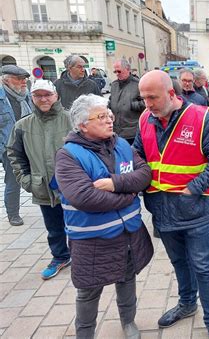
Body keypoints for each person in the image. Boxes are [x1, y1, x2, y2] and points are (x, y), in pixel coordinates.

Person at [135, 70, 209, 339]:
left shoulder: (201, 118)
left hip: (195, 210)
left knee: (202, 265)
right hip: (161, 211)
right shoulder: (145, 119)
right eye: (143, 98)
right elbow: (138, 156)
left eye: (152, 97)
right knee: (179, 262)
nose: (148, 104)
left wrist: (194, 188)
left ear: (171, 93)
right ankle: (187, 304)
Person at [55, 94, 153, 339]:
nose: (110, 120)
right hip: (92, 239)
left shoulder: (120, 144)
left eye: (109, 115)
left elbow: (144, 174)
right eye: (101, 117)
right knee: (89, 291)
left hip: (127, 232)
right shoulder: (68, 155)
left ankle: (128, 322)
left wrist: (116, 184)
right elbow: (85, 197)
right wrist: (129, 195)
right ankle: (85, 333)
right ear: (82, 125)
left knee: (127, 279)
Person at [7, 79, 71, 279]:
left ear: (56, 96)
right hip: (43, 188)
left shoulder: (71, 120)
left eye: (47, 95)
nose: (43, 99)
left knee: (79, 225)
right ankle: (60, 256)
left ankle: (82, 256)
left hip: (72, 188)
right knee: (53, 228)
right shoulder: (23, 125)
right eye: (38, 95)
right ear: (32, 98)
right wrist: (26, 181)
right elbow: (15, 155)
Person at [0, 65, 32, 226]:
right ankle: (13, 214)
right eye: (19, 79)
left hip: (29, 144)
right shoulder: (2, 99)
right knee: (13, 181)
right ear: (6, 80)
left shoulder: (26, 96)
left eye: (24, 79)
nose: (23, 82)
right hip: (9, 148)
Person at [110, 59, 144, 145]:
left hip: (132, 132)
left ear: (128, 69)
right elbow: (111, 100)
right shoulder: (114, 85)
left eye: (119, 71)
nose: (117, 74)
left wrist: (132, 105)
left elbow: (146, 103)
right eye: (115, 71)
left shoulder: (138, 84)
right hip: (116, 131)